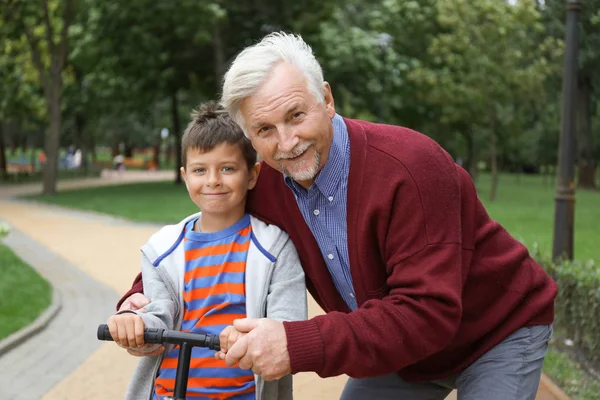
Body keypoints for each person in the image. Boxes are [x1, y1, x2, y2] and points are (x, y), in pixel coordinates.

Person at [118, 32, 557, 400]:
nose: (287, 143)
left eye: (296, 115)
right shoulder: (266, 181)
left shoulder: (412, 167)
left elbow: (429, 312)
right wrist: (141, 298)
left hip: (494, 331)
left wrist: (296, 343)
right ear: (250, 137)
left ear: (326, 99)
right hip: (399, 343)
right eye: (265, 130)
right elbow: (207, 228)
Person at [108, 101, 307, 400]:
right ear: (185, 176)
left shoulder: (274, 248)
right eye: (200, 170)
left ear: (252, 175)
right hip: (169, 393)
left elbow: (287, 325)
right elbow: (159, 314)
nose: (213, 180)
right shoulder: (162, 250)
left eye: (227, 168)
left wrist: (255, 336)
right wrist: (134, 323)